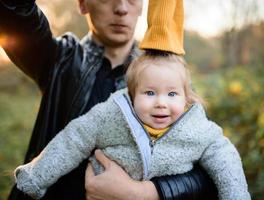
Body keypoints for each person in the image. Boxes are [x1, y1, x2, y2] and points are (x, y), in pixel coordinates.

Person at [0, 0, 217, 199]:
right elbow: (15, 11)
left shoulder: (168, 79)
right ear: (83, 4)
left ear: (142, 6)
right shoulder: (59, 60)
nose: (122, 8)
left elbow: (209, 171)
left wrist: (145, 193)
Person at [14, 51, 251, 200]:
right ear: (131, 94)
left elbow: (225, 158)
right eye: (149, 92)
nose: (161, 103)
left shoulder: (197, 129)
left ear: (186, 97)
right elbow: (74, 138)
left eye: (172, 94)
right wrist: (37, 175)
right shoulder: (111, 116)